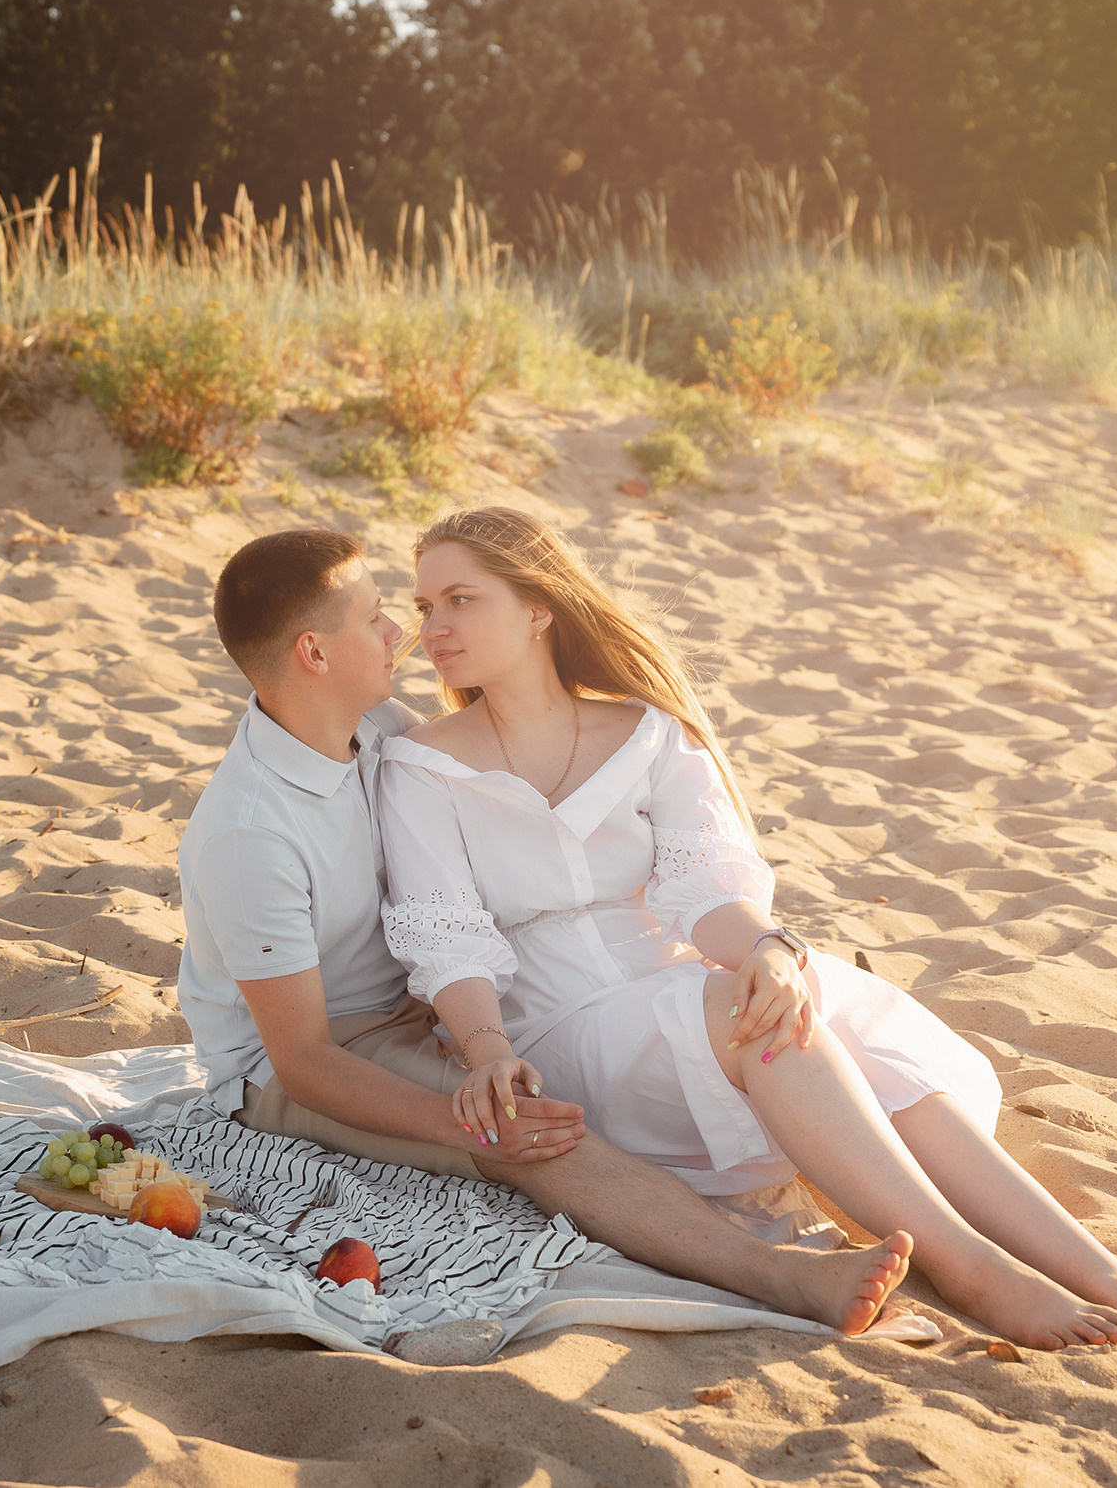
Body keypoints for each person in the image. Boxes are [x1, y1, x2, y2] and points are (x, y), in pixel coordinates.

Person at [375, 504, 1117, 1349]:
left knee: (802, 1002)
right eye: (426, 607)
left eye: (459, 600)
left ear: (538, 606)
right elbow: (446, 933)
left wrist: (768, 949)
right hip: (560, 1031)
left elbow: (705, 891)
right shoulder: (422, 763)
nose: (432, 627)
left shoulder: (648, 734)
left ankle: (1106, 1274)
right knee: (743, 1011)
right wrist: (488, 1049)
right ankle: (974, 1269)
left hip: (683, 988)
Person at [176, 526, 914, 1336]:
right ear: (314, 653)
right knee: (530, 1133)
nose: (404, 633)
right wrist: (465, 1118)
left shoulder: (379, 724)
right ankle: (781, 1276)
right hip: (310, 1058)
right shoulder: (253, 831)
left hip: (412, 1010)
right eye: (379, 616)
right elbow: (302, 1059)